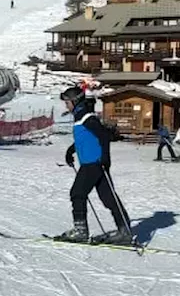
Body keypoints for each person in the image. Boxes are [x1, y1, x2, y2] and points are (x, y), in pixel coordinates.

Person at [56, 86, 132, 245]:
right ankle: (124, 230)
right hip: (94, 163)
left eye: (67, 102)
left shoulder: (86, 117)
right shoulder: (81, 117)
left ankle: (81, 231)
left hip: (94, 163)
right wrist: (71, 151)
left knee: (77, 193)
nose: (66, 105)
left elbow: (103, 135)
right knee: (108, 198)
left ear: (75, 101)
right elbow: (85, 138)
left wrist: (104, 158)